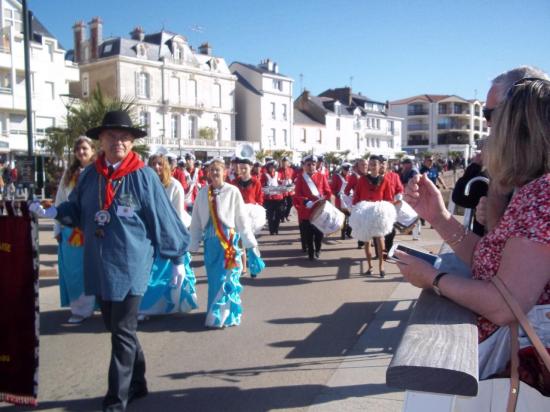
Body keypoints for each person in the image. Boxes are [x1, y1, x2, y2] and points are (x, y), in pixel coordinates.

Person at [397, 79, 550, 391]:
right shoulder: (535, 190)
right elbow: (492, 261)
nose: (489, 131)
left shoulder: (542, 195)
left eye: (495, 119)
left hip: (505, 362)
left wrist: (433, 279)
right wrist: (438, 216)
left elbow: (505, 305)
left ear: (517, 131)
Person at [31, 110, 189, 411]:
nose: (119, 142)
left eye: (125, 138)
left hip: (131, 264)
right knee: (117, 329)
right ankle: (139, 383)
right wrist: (53, 212)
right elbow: (76, 209)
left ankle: (116, 400)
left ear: (132, 143)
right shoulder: (91, 175)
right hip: (99, 264)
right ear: (101, 140)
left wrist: (178, 259)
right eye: (113, 137)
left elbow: (163, 219)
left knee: (122, 332)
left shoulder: (143, 176)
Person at [188, 158, 258, 328]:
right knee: (214, 279)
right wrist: (192, 246)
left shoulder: (232, 191)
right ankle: (214, 312)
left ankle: (225, 315)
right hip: (211, 242)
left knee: (226, 278)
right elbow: (196, 221)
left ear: (225, 172)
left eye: (217, 170)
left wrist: (250, 244)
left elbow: (241, 219)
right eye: (211, 170)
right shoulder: (203, 193)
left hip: (229, 241)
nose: (214, 173)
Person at [479, 66, 550, 232]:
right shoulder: (526, 175)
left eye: (490, 114)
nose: (488, 124)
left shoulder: (541, 192)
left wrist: (496, 199)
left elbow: (498, 253)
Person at [139, 153, 198, 318]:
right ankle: (147, 308)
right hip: (150, 234)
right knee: (151, 273)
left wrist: (175, 239)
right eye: (153, 164)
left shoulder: (174, 185)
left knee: (168, 272)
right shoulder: (145, 184)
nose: (156, 167)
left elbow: (178, 216)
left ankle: (166, 305)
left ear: (165, 166)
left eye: (159, 164)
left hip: (169, 235)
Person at [54, 136, 96, 324]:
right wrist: (57, 226)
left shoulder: (99, 171)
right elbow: (60, 200)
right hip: (71, 230)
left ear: (93, 150)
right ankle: (79, 309)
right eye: (78, 149)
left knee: (94, 269)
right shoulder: (69, 173)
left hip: (93, 230)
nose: (81, 152)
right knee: (74, 270)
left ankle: (98, 305)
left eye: (85, 148)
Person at [352, 155, 393, 277]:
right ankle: (370, 266)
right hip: (365, 213)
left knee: (381, 240)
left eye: (375, 164)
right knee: (366, 241)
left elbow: (389, 198)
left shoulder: (385, 180)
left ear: (380, 166)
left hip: (379, 213)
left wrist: (384, 209)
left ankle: (381, 266)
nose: (373, 166)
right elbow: (356, 196)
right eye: (371, 164)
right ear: (368, 166)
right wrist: (356, 209)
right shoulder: (362, 180)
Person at [231, 156, 265, 277]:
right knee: (240, 243)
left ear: (250, 168)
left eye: (245, 168)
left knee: (251, 242)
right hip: (238, 215)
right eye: (241, 168)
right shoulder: (234, 182)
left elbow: (260, 198)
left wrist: (256, 208)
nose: (243, 170)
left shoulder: (256, 182)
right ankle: (243, 267)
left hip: (251, 217)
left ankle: (254, 266)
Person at [294, 155, 332, 261]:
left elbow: (328, 191)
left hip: (319, 208)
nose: (311, 166)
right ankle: (311, 252)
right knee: (308, 233)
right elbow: (297, 194)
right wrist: (305, 200)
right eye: (308, 164)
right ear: (304, 166)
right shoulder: (301, 178)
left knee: (319, 233)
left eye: (313, 164)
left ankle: (318, 249)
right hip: (306, 209)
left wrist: (325, 198)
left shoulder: (321, 176)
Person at [380, 156, 404, 254]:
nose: (382, 165)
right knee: (378, 232)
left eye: (383, 163)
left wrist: (398, 198)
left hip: (391, 207)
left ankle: (388, 249)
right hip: (378, 209)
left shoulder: (394, 176)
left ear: (387, 165)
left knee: (391, 231)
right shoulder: (372, 177)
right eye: (379, 163)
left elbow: (400, 189)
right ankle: (379, 253)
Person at [399, 157, 421, 240]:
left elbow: (413, 182)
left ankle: (416, 234)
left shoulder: (413, 171)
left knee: (415, 214)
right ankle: (411, 231)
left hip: (414, 195)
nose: (403, 165)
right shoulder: (405, 171)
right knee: (410, 214)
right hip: (408, 195)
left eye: (404, 163)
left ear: (409, 164)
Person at [261, 160, 284, 235]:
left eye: (274, 167)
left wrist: (284, 184)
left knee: (278, 215)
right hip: (269, 199)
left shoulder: (279, 174)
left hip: (278, 198)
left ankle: (276, 229)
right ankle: (271, 230)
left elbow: (281, 184)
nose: (272, 169)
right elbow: (262, 186)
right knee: (270, 216)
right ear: (268, 168)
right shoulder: (264, 175)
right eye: (271, 167)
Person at [330, 162, 352, 239]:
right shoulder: (336, 177)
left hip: (348, 199)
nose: (347, 172)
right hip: (340, 200)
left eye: (348, 170)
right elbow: (332, 188)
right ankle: (343, 233)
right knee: (344, 217)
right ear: (342, 169)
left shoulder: (350, 177)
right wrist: (336, 194)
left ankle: (348, 232)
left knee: (351, 217)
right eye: (346, 170)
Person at [278, 156, 295, 222]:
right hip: (282, 190)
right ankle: (282, 217)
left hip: (290, 190)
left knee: (290, 203)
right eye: (283, 162)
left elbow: (294, 178)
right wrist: (282, 181)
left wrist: (292, 181)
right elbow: (278, 179)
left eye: (286, 162)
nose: (284, 164)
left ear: (288, 163)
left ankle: (286, 215)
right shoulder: (279, 170)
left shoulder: (291, 170)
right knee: (282, 204)